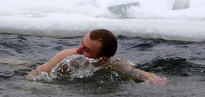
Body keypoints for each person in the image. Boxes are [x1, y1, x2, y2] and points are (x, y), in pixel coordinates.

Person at [27, 29, 168, 85]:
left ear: (103, 59)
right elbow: (36, 73)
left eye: (86, 49)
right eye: (81, 43)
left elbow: (137, 72)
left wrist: (153, 79)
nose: (78, 50)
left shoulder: (110, 65)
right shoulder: (66, 56)